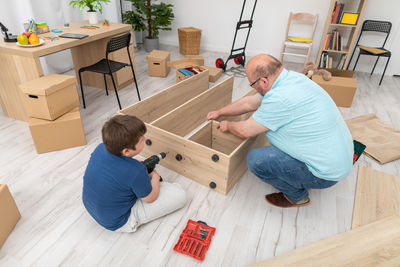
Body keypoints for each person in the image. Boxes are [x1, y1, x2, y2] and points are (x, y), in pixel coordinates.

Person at [207, 54, 353, 208]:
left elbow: (245, 131)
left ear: (263, 81)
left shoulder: (280, 98)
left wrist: (228, 125)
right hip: (337, 159)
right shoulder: (291, 79)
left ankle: (297, 197)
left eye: (252, 85)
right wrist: (219, 112)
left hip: (326, 175)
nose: (253, 88)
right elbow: (249, 103)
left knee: (256, 160)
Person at [82, 115, 187, 232]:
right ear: (126, 151)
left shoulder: (101, 148)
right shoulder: (136, 171)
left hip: (92, 207)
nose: (145, 138)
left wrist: (139, 169)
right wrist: (155, 177)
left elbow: (118, 167)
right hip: (118, 221)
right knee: (179, 195)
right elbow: (150, 198)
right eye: (142, 140)